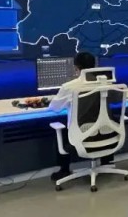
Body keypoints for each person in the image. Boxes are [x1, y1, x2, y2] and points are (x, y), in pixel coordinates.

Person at [48, 52, 112, 180]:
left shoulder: (69, 87)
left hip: (82, 140)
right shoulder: (106, 84)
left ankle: (64, 170)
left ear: (76, 67)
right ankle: (107, 162)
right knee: (107, 119)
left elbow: (54, 108)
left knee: (62, 129)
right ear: (94, 66)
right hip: (107, 137)